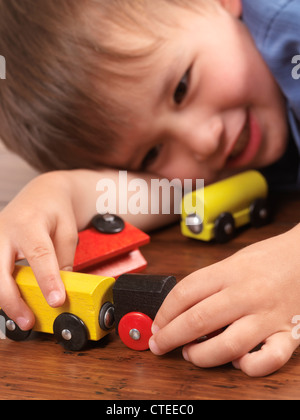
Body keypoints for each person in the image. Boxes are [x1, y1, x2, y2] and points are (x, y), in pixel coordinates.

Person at [0, 0, 299, 377]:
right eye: (153, 152)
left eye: (181, 88)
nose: (203, 143)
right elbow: (168, 193)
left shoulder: (289, 25)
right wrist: (58, 192)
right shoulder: (230, 147)